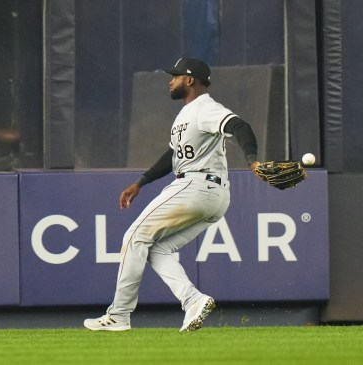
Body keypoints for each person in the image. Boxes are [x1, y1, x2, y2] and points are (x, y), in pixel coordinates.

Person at [84, 58, 261, 332]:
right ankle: (193, 300)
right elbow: (173, 155)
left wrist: (252, 161)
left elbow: (240, 127)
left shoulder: (205, 108)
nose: (171, 80)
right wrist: (141, 182)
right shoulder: (185, 114)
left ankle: (119, 314)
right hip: (213, 194)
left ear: (190, 80)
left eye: (176, 76)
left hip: (196, 185)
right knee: (158, 248)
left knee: (134, 237)